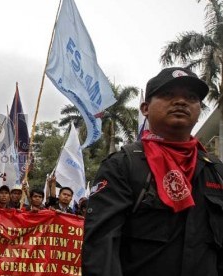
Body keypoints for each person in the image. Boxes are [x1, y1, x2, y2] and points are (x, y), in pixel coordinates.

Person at [82, 67, 223, 276]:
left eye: (191, 97)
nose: (181, 102)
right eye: (168, 95)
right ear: (145, 108)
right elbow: (101, 250)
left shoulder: (215, 170)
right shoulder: (123, 165)